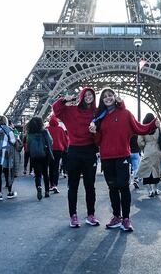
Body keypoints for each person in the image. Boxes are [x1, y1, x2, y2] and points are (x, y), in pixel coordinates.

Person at [89, 88, 157, 232]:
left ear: (115, 97)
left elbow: (139, 127)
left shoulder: (125, 114)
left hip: (122, 156)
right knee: (113, 188)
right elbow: (98, 141)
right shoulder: (99, 118)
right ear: (102, 100)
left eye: (110, 95)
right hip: (107, 158)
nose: (107, 98)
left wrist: (152, 125)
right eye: (104, 96)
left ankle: (126, 218)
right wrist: (94, 133)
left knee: (124, 187)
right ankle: (116, 216)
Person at [53, 88, 100, 228]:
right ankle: (73, 215)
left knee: (90, 186)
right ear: (81, 96)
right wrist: (64, 100)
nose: (88, 97)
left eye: (90, 94)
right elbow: (56, 109)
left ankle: (91, 214)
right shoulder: (71, 110)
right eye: (85, 94)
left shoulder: (97, 113)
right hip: (74, 152)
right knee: (73, 186)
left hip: (90, 151)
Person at [137, 113, 161, 197]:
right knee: (157, 170)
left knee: (147, 171)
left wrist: (144, 148)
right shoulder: (158, 128)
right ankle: (156, 189)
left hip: (148, 150)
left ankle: (150, 190)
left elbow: (140, 142)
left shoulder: (143, 129)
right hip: (158, 151)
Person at [26, 117, 53, 200]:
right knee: (45, 173)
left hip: (34, 156)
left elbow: (28, 145)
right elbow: (50, 141)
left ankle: (39, 186)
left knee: (37, 175)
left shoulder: (29, 134)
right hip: (44, 155)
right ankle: (47, 191)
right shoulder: (45, 132)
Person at [46, 114, 69, 193]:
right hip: (58, 150)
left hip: (49, 150)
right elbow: (65, 140)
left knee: (50, 167)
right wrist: (66, 148)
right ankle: (55, 185)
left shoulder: (47, 129)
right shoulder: (60, 129)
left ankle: (51, 185)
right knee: (56, 168)